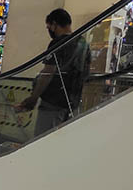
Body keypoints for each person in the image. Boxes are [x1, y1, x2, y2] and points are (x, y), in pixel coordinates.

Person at [16, 8, 91, 136]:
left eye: (48, 27)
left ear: (54, 24)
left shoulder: (57, 43)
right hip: (72, 104)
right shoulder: (83, 43)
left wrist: (33, 98)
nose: (49, 30)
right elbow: (86, 72)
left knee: (43, 141)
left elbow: (48, 72)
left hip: (53, 103)